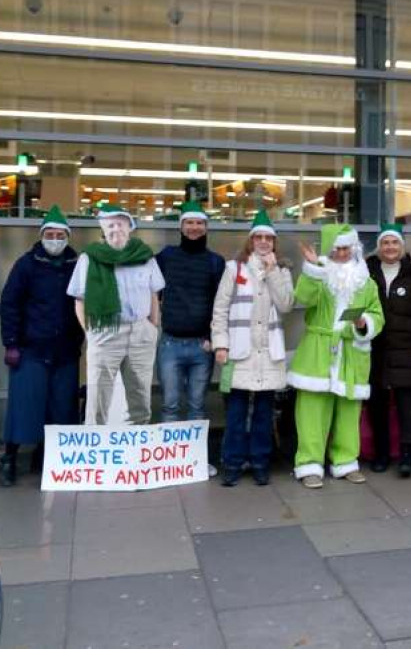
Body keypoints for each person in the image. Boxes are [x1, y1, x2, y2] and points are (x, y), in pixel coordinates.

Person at [288, 224, 384, 489]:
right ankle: (309, 465)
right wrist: (313, 269)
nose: (342, 254)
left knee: (348, 413)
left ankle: (345, 463)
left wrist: (364, 323)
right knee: (311, 412)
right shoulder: (318, 275)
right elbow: (303, 298)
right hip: (318, 351)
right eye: (337, 249)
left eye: (346, 248)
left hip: (351, 353)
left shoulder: (367, 281)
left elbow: (378, 314)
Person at [0, 205, 85, 486]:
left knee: (61, 408)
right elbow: (10, 304)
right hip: (31, 349)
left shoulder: (78, 264)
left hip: (66, 351)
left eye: (61, 234)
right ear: (42, 235)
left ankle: (47, 456)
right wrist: (11, 342)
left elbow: (86, 302)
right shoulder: (26, 264)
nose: (55, 239)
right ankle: (9, 457)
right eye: (51, 234)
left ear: (68, 237)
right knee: (24, 407)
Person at [211, 210, 294, 487]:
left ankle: (260, 462)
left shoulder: (282, 270)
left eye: (267, 238)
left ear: (274, 242)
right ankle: (232, 464)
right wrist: (220, 344)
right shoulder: (233, 268)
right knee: (235, 414)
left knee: (262, 414)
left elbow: (285, 305)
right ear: (250, 241)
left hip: (268, 353)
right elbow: (220, 309)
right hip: (238, 351)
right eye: (258, 237)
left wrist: (272, 273)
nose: (262, 242)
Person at [67, 204, 164, 425]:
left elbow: (154, 293)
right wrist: (90, 332)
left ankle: (136, 446)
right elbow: (79, 300)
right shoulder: (89, 258)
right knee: (98, 397)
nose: (116, 229)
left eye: (121, 224)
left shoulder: (145, 256)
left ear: (130, 228)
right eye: (110, 225)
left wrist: (153, 326)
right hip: (105, 331)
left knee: (140, 395)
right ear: (103, 229)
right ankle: (96, 449)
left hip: (140, 331)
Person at [365, 223, 411, 478]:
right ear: (379, 247)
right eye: (385, 243)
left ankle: (407, 454)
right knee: (377, 404)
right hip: (375, 349)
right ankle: (381, 453)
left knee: (407, 404)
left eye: (394, 243)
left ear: (402, 246)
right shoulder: (368, 271)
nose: (390, 247)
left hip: (408, 349)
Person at [156, 200, 225, 424]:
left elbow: (220, 304)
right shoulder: (166, 257)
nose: (194, 227)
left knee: (197, 407)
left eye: (199, 223)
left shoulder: (216, 262)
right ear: (180, 226)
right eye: (189, 222)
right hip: (170, 344)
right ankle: (171, 459)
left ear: (206, 227)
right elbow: (150, 289)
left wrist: (212, 337)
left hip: (202, 346)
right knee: (169, 406)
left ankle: (194, 459)